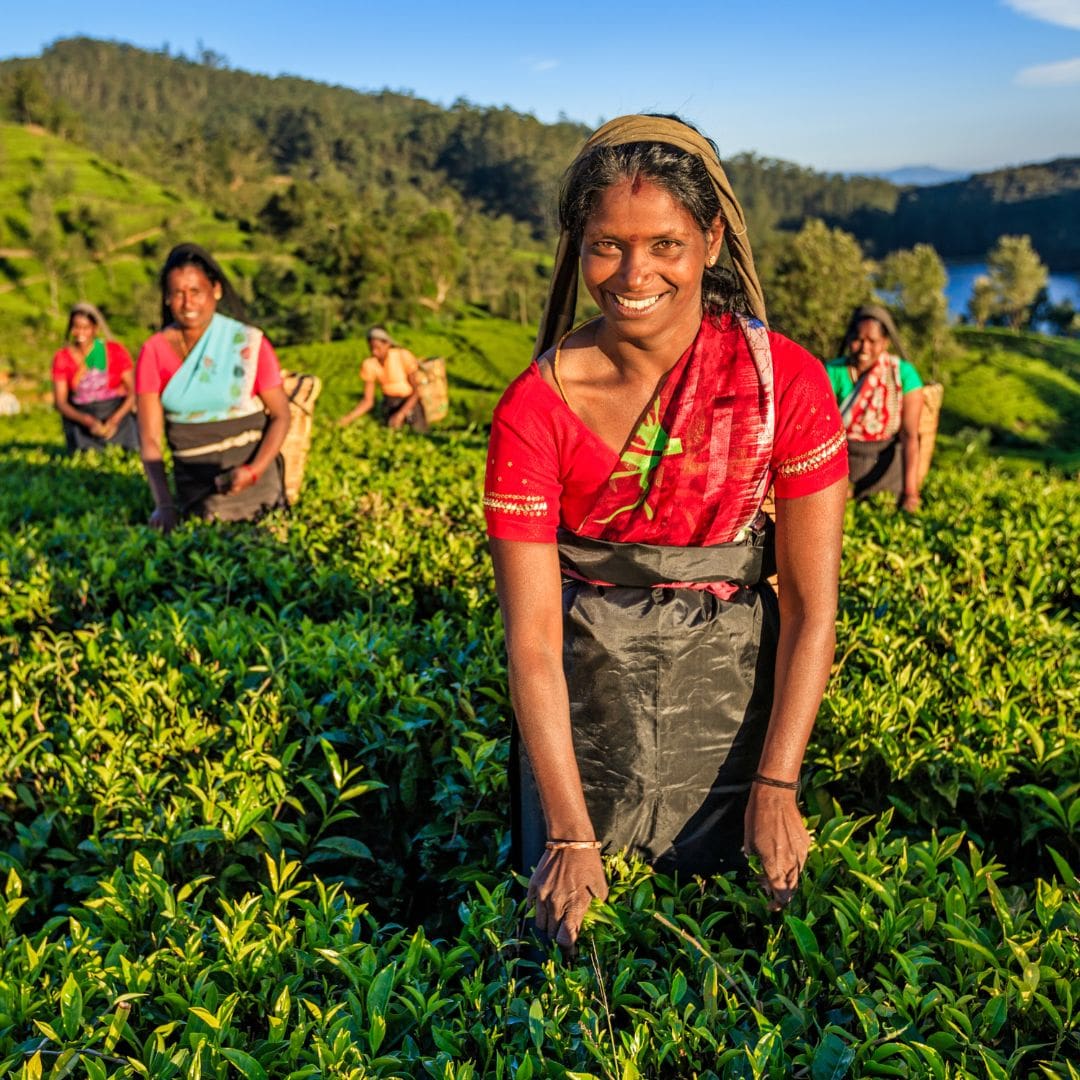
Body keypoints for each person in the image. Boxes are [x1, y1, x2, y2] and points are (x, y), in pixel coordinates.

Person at [484, 115, 849, 950]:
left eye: (665, 245)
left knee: (743, 954)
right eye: (607, 245)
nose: (634, 273)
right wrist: (570, 835)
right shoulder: (535, 409)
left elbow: (811, 606)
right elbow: (534, 640)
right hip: (585, 714)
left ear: (712, 241)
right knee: (572, 952)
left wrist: (776, 783)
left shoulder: (779, 381)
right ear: (577, 247)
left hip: (737, 715)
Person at [136, 243, 291, 531]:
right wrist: (164, 505)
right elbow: (150, 440)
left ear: (215, 291)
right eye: (178, 294)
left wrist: (253, 471)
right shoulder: (154, 351)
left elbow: (281, 415)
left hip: (254, 477)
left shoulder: (247, 343)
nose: (188, 303)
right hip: (195, 483)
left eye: (196, 291)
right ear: (167, 299)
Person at [825, 305, 924, 511]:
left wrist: (910, 493)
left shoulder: (903, 374)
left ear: (885, 343)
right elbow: (821, 432)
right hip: (841, 468)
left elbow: (909, 435)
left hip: (886, 472)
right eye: (858, 339)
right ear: (849, 338)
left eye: (872, 341)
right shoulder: (832, 371)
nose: (864, 348)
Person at [51, 302, 138, 452]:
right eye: (76, 327)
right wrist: (87, 421)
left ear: (95, 328)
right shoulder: (62, 357)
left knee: (127, 451)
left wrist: (114, 420)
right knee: (84, 455)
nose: (80, 333)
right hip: (81, 417)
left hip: (116, 413)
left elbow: (133, 391)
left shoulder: (115, 351)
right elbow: (60, 402)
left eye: (86, 328)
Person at [337, 326, 428, 432]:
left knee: (417, 436)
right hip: (390, 404)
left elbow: (416, 392)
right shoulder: (369, 364)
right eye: (371, 348)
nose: (374, 352)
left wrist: (401, 414)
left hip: (410, 403)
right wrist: (347, 419)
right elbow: (368, 401)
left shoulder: (402, 356)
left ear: (387, 344)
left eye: (378, 348)